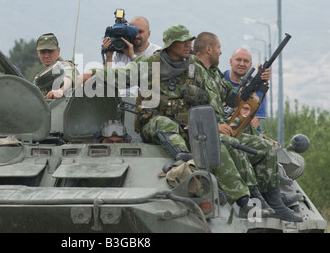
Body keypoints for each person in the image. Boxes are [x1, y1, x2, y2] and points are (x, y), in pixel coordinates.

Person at [81, 24, 270, 218]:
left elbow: (223, 95)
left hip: (188, 127)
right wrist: (92, 74)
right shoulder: (150, 63)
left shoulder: (194, 67)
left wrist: (255, 86)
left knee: (219, 145)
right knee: (166, 124)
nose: (189, 45)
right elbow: (122, 76)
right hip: (153, 124)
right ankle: (185, 161)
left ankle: (244, 200)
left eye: (190, 41)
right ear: (171, 44)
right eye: (184, 41)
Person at [191, 31, 302, 222]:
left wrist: (259, 82)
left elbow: (236, 99)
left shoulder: (213, 74)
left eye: (246, 61)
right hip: (208, 132)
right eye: (218, 48)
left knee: (266, 148)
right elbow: (189, 107)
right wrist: (214, 125)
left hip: (226, 129)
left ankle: (274, 200)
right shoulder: (193, 72)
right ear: (209, 49)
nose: (220, 52)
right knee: (237, 147)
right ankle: (254, 198)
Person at [102, 16, 160, 96]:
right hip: (122, 101)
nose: (136, 36)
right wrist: (108, 57)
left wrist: (132, 56)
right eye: (133, 32)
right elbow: (108, 80)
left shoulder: (156, 53)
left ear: (149, 34)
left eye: (140, 32)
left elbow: (151, 80)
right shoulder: (121, 53)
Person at [223, 48, 267, 134]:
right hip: (224, 133)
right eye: (238, 60)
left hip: (249, 134)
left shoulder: (256, 87)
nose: (242, 64)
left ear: (250, 65)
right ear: (231, 61)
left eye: (246, 61)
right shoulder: (220, 80)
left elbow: (255, 121)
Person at [33, 33, 78, 99]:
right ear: (38, 53)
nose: (46, 55)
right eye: (43, 52)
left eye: (50, 51)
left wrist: (60, 90)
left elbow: (68, 78)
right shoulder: (40, 79)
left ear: (58, 51)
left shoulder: (65, 66)